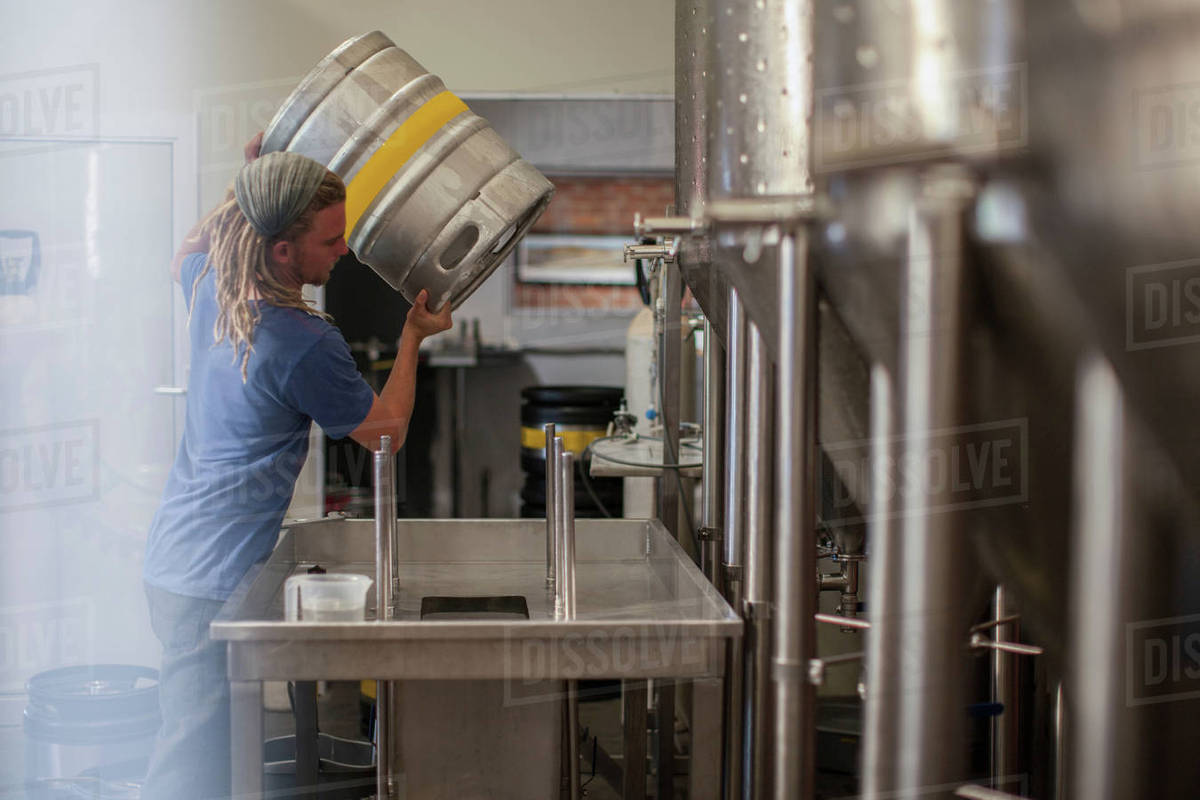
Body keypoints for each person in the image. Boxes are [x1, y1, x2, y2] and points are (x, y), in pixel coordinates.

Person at [140, 136, 452, 799]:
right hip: (210, 580)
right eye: (331, 240)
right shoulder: (303, 341)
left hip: (173, 562)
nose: (344, 251)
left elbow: (184, 252)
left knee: (208, 751)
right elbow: (387, 434)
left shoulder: (210, 287)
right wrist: (412, 338)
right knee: (189, 766)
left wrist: (252, 181)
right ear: (282, 250)